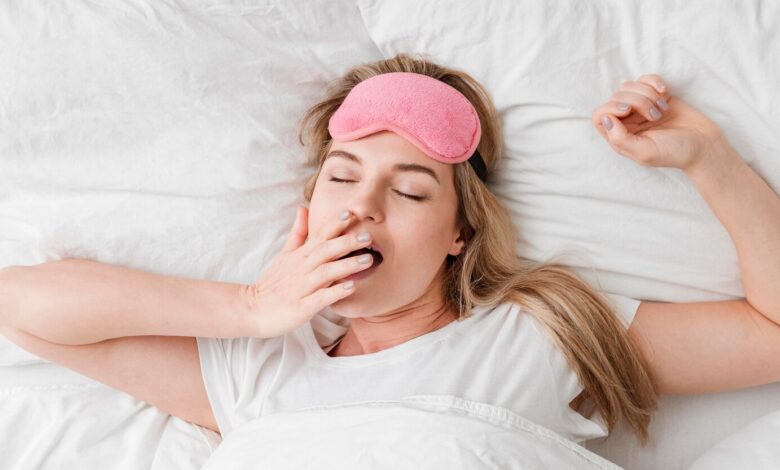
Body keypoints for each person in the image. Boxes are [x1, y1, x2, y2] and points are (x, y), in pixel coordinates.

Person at [0, 52, 778, 454]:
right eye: (342, 177)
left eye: (410, 191)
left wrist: (708, 158)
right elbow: (23, 305)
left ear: (459, 236)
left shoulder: (536, 334)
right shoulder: (257, 369)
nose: (362, 205)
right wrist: (247, 308)